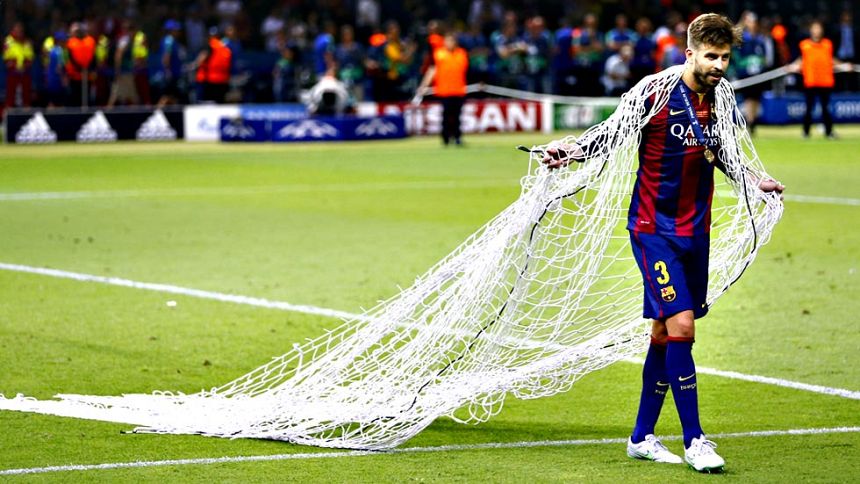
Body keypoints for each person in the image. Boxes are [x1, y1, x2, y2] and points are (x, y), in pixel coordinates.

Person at [541, 13, 784, 473]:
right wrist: (569, 152)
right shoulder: (654, 92)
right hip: (653, 231)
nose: (718, 65)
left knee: (662, 333)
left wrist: (756, 180)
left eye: (725, 58)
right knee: (684, 327)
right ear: (688, 53)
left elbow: (727, 155)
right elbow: (610, 135)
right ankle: (696, 441)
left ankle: (641, 437)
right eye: (710, 57)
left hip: (697, 231)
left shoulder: (722, 98)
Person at [790, 20, 842, 139]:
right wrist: (793, 66)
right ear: (811, 30)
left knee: (826, 108)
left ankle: (829, 132)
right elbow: (801, 60)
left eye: (818, 28)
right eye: (815, 28)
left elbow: (831, 59)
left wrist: (844, 65)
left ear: (821, 30)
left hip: (825, 81)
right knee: (809, 108)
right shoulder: (805, 45)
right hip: (811, 81)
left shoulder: (827, 44)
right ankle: (806, 132)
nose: (817, 31)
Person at [417, 32, 469, 146]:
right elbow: (432, 71)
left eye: (452, 41)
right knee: (446, 116)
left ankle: (457, 137)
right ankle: (445, 138)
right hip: (444, 91)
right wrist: (424, 85)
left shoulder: (461, 53)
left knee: (457, 117)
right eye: (448, 41)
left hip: (458, 90)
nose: (449, 43)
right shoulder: (438, 54)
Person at [733, 11, 769, 134]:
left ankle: (753, 122)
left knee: (756, 99)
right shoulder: (742, 38)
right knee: (748, 98)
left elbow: (764, 57)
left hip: (758, 74)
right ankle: (750, 121)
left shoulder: (760, 39)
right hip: (746, 74)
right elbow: (736, 53)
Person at [193, 27, 232, 103]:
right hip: (222, 81)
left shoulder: (211, 45)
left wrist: (193, 66)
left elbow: (201, 60)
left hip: (209, 81)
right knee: (219, 104)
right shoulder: (226, 48)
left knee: (205, 104)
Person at [3, 22, 35, 108]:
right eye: (17, 30)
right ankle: (9, 115)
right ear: (13, 30)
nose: (19, 32)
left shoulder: (27, 42)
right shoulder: (8, 41)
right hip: (13, 73)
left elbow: (30, 58)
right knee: (10, 96)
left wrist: (24, 66)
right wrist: (14, 66)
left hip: (25, 73)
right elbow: (6, 59)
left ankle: (26, 115)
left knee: (26, 96)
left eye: (21, 30)